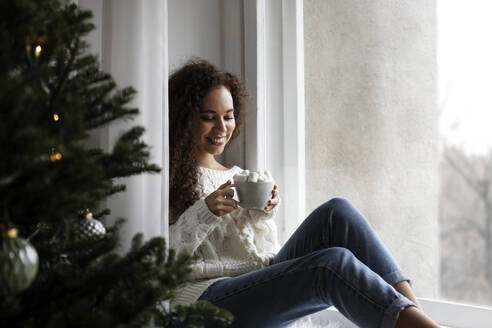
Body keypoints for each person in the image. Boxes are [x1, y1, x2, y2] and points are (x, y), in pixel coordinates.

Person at [168, 58, 440, 328]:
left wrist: (262, 215)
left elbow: (256, 253)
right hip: (204, 302)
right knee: (331, 264)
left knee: (337, 212)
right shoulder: (166, 179)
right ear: (184, 117)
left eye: (228, 116)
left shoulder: (238, 177)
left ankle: (419, 320)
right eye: (208, 118)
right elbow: (160, 262)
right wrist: (205, 212)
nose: (222, 128)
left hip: (252, 287)